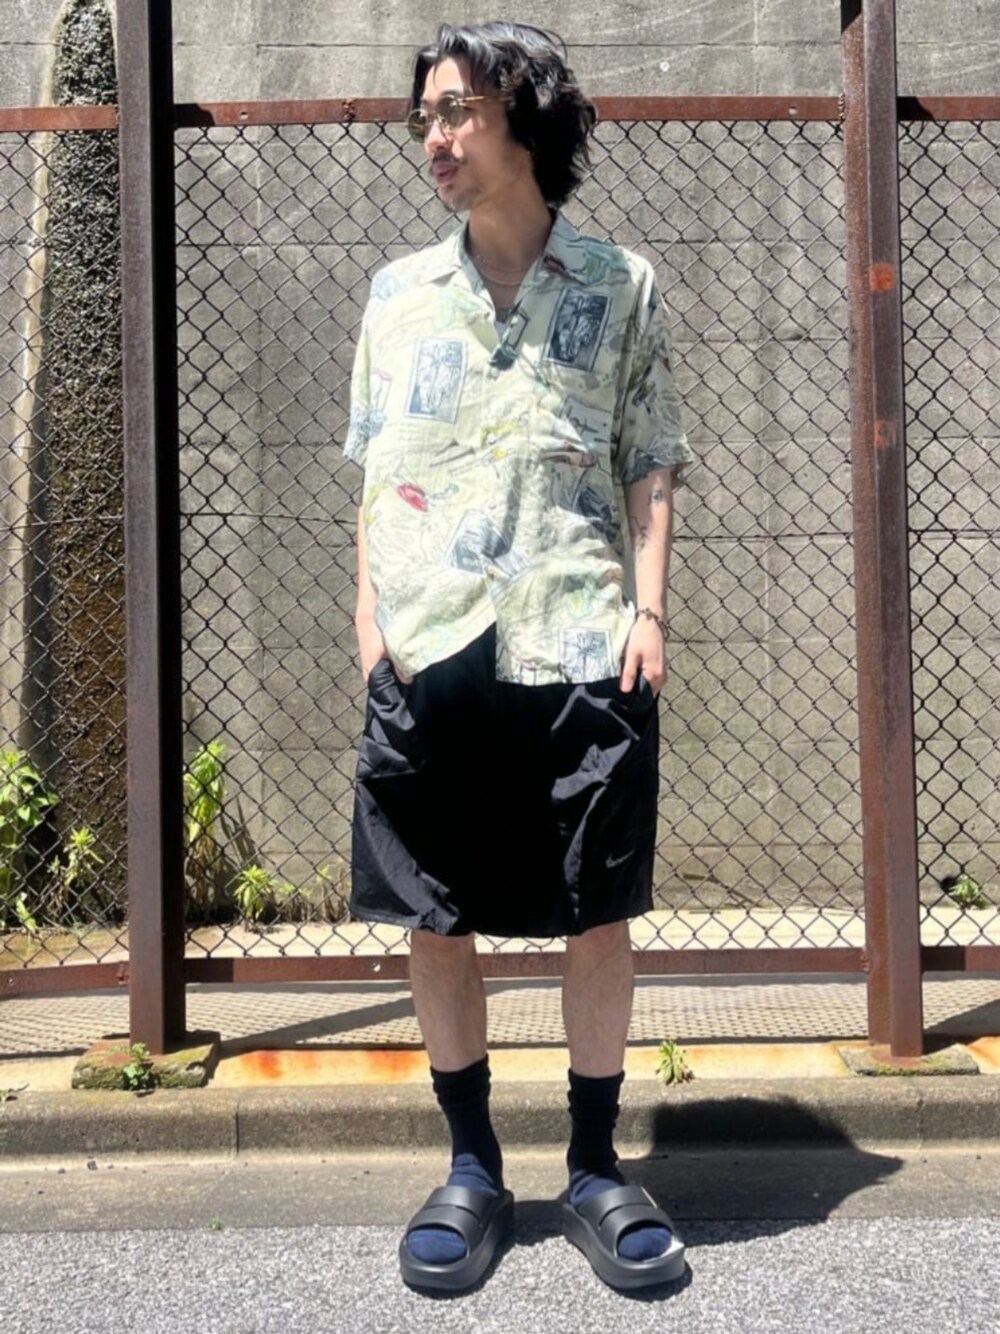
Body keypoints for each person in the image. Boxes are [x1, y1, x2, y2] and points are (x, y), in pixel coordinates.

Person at [342, 21, 693, 1293]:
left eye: (457, 112)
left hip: (580, 632)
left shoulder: (621, 284)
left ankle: (595, 1166)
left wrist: (648, 613)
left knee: (594, 907)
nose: (433, 137)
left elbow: (649, 457)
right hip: (429, 642)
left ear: (524, 120)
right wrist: (372, 628)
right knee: (433, 908)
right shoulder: (396, 295)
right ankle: (472, 1166)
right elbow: (374, 471)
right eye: (425, 116)